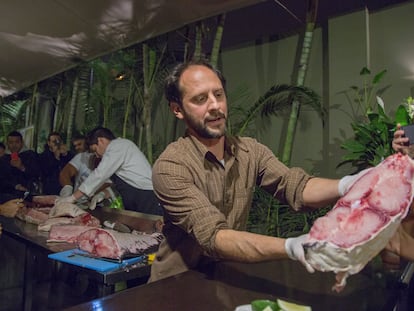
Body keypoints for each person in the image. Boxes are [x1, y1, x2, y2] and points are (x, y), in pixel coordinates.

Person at [147, 60, 363, 282]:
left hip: (224, 277)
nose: (215, 106)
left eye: (219, 95)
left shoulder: (249, 150)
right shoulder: (170, 167)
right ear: (177, 109)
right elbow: (214, 236)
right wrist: (291, 247)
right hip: (176, 285)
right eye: (200, 99)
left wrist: (349, 184)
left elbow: (295, 186)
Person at [56, 127, 163, 215]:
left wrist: (72, 198)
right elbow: (123, 183)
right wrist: (102, 194)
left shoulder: (119, 146)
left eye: (95, 150)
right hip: (135, 199)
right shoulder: (116, 152)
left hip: (147, 198)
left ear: (100, 140)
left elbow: (99, 174)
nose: (97, 155)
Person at [0, 131, 41, 196]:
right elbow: (2, 179)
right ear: (7, 144)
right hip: (8, 195)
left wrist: (22, 167)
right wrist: (16, 186)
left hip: (29, 193)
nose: (14, 145)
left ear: (21, 143)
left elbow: (37, 174)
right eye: (11, 142)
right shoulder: (3, 159)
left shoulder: (30, 155)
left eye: (17, 142)